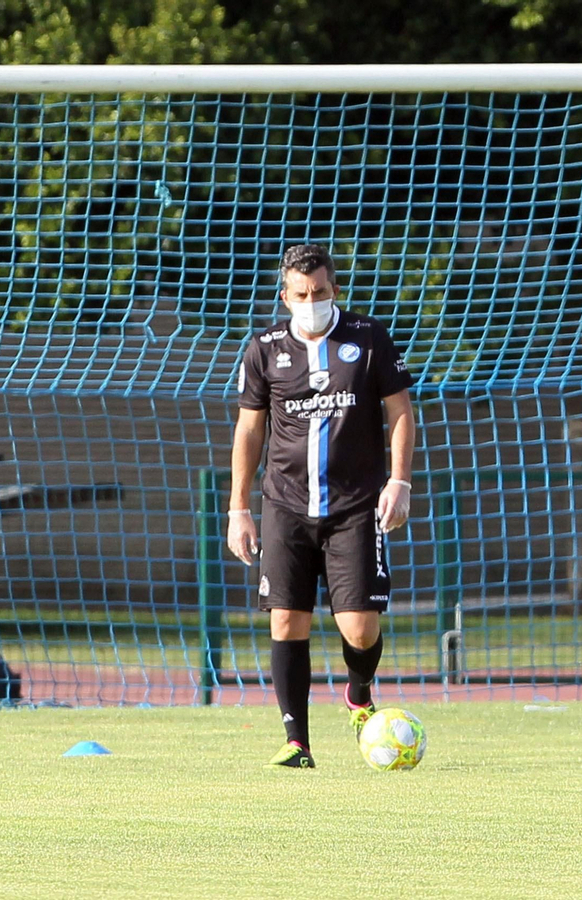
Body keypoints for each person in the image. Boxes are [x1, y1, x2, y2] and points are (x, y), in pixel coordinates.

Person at [227, 243, 417, 768]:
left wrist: (399, 481)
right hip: (285, 503)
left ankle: (358, 693)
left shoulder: (368, 338)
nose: (312, 301)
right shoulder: (263, 349)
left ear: (335, 290)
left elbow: (400, 410)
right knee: (287, 619)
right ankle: (297, 743)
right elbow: (250, 428)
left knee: (359, 627)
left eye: (321, 292)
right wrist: (237, 508)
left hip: (357, 504)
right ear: (284, 296)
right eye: (302, 294)